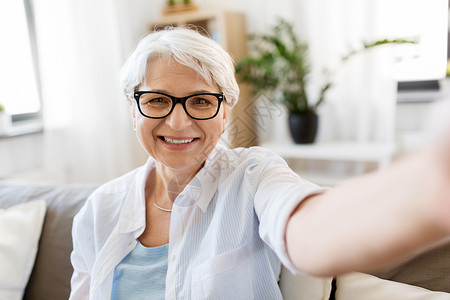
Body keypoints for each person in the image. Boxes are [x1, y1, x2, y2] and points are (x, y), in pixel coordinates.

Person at [69, 27, 450, 299]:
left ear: (225, 112)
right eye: (157, 100)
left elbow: (306, 230)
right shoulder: (99, 210)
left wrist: (430, 185)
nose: (178, 122)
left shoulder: (254, 175)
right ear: (133, 109)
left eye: (201, 101)